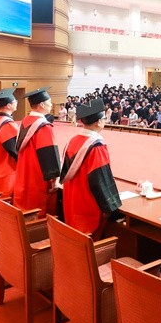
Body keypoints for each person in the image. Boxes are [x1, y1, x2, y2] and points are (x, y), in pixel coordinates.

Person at [59, 98, 122, 237]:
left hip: (72, 203)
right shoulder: (96, 147)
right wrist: (110, 206)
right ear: (98, 122)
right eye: (104, 118)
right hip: (87, 207)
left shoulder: (72, 141)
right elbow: (99, 180)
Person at [13, 87, 62, 217]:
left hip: (24, 172)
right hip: (37, 176)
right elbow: (49, 155)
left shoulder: (25, 122)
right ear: (42, 105)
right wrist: (55, 180)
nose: (51, 105)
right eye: (49, 102)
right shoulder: (43, 127)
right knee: (38, 210)